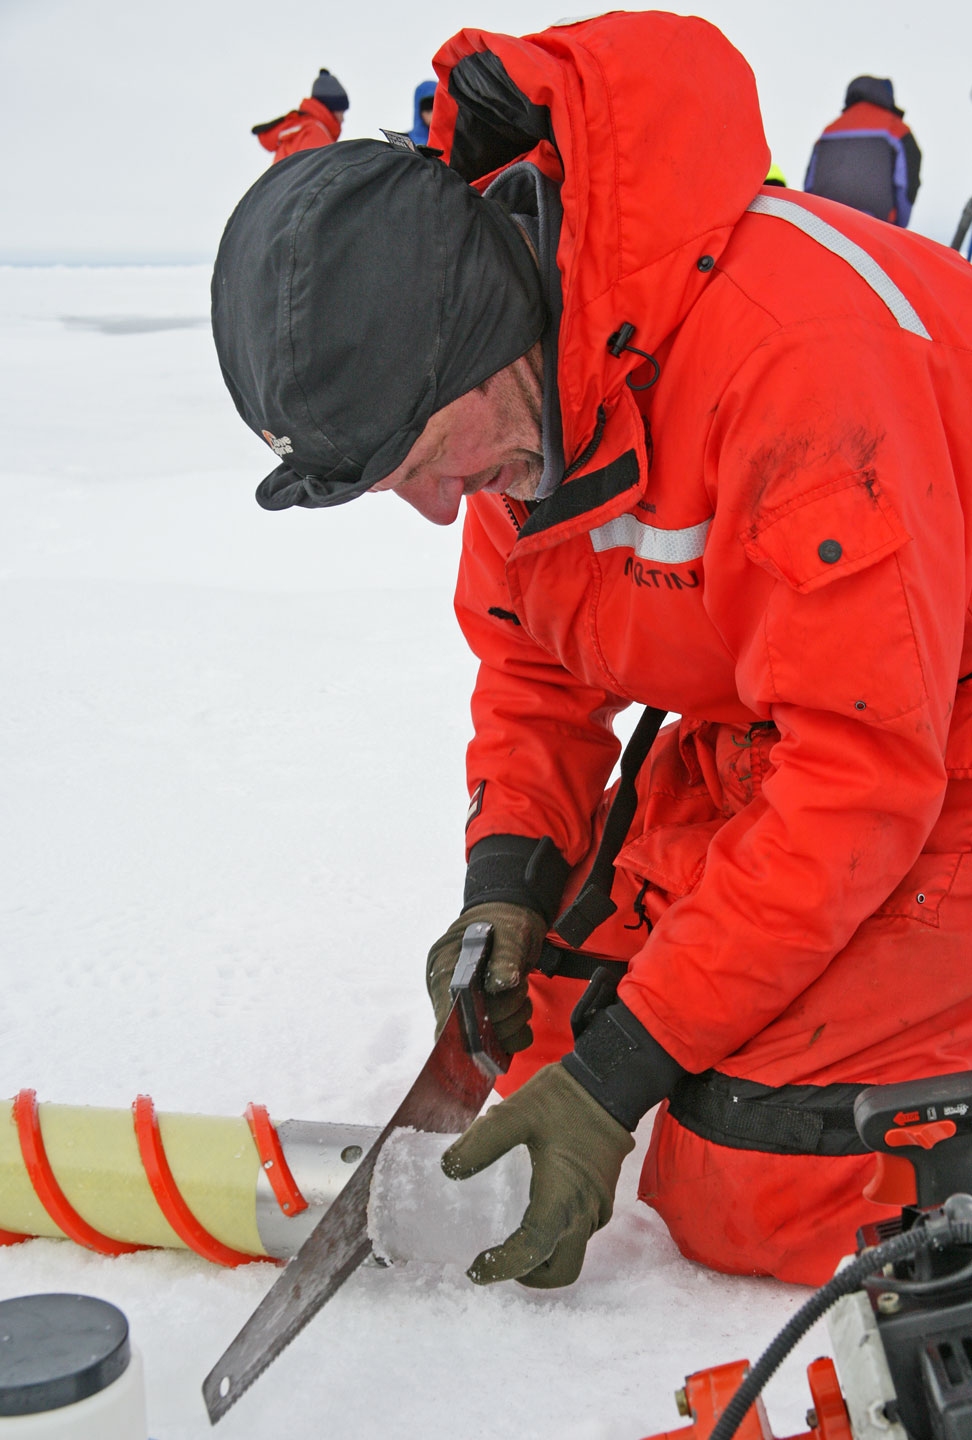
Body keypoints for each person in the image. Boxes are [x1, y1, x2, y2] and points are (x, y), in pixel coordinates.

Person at [212, 13, 972, 1291]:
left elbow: (857, 776)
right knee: (543, 1032)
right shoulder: (528, 384)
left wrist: (625, 1079)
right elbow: (536, 667)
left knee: (760, 1170)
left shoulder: (796, 368)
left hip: (923, 742)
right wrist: (505, 876)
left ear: (460, 341)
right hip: (795, 734)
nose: (445, 509)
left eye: (420, 465)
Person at [803, 75, 921, 226]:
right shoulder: (897, 129)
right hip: (875, 230)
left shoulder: (828, 131)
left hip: (824, 228)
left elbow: (809, 184)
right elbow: (907, 187)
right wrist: (898, 230)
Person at [251, 69, 348, 165]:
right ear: (330, 108)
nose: (343, 119)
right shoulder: (314, 131)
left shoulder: (297, 128)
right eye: (341, 112)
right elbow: (319, 175)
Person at [408, 80, 437, 147]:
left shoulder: (456, 141)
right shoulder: (406, 143)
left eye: (436, 106)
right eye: (427, 107)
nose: (432, 113)